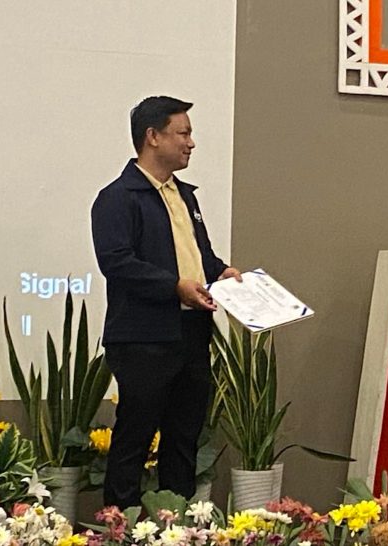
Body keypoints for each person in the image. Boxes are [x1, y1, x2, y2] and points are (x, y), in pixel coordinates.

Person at [91, 95, 240, 508]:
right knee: (134, 438)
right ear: (152, 137)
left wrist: (221, 272)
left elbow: (198, 256)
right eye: (183, 133)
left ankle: (180, 526)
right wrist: (174, 286)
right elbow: (117, 262)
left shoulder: (185, 195)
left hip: (191, 332)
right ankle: (119, 526)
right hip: (144, 338)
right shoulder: (119, 196)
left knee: (185, 439)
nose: (191, 143)